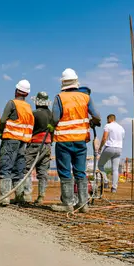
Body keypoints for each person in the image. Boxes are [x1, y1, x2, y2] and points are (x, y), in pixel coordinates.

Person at [50, 68, 101, 213]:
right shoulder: (85, 97)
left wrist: (50, 126)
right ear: (76, 82)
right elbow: (97, 115)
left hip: (64, 141)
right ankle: (83, 204)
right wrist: (92, 122)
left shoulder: (60, 97)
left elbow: (54, 118)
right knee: (80, 171)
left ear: (63, 83)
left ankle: (67, 203)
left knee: (65, 171)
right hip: (80, 141)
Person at [0, 79, 34, 206]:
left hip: (11, 139)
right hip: (23, 142)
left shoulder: (12, 103)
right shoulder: (28, 107)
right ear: (27, 94)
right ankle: (19, 196)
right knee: (19, 169)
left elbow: (2, 121)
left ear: (16, 90)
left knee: (6, 166)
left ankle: (4, 198)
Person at [24, 91, 55, 205]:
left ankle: (27, 195)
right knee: (43, 172)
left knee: (26, 169)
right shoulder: (52, 115)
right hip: (47, 145)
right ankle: (41, 196)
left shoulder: (34, 114)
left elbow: (29, 130)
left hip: (34, 144)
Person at [97, 114, 125, 193]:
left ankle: (105, 182)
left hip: (110, 147)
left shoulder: (108, 126)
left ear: (109, 119)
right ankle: (114, 188)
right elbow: (122, 138)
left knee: (100, 165)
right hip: (119, 149)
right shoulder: (121, 128)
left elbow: (104, 138)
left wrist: (100, 148)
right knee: (115, 169)